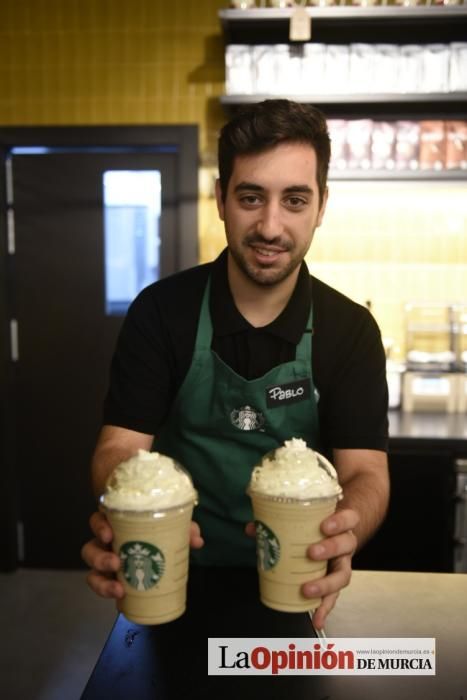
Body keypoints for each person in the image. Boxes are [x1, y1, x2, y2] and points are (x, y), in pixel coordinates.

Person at [81, 99, 389, 630]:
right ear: (221, 198)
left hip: (301, 582)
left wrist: (346, 528)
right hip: (172, 578)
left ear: (321, 206)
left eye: (295, 199)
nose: (271, 226)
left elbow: (365, 471)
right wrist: (124, 507)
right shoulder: (161, 313)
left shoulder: (350, 330)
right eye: (251, 197)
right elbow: (118, 448)